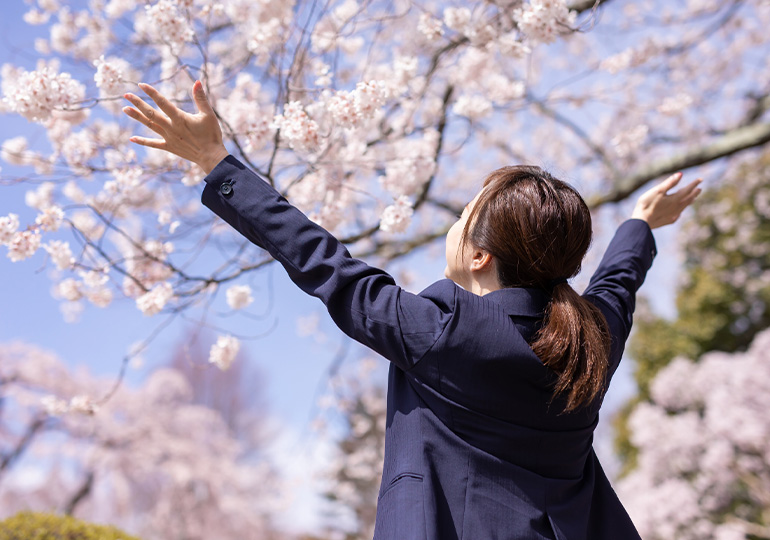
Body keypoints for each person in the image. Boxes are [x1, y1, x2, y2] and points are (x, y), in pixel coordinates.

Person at [123, 81, 702, 540]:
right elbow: (617, 285)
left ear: (478, 254)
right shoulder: (590, 344)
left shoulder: (441, 334)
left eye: (462, 217)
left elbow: (320, 260)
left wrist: (216, 162)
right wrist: (641, 226)